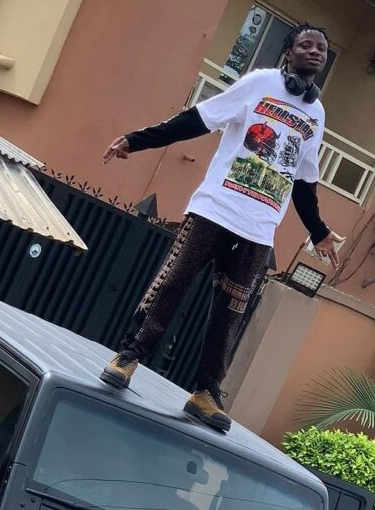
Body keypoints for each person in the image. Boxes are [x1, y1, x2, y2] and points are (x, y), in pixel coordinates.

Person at [101, 23, 340, 432]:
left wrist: (318, 231)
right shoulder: (260, 83)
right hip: (215, 210)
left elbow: (304, 180)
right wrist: (137, 140)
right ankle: (129, 357)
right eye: (306, 45)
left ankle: (205, 393)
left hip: (259, 229)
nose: (315, 52)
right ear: (289, 52)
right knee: (173, 283)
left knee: (231, 312)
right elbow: (199, 119)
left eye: (322, 48)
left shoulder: (316, 114)